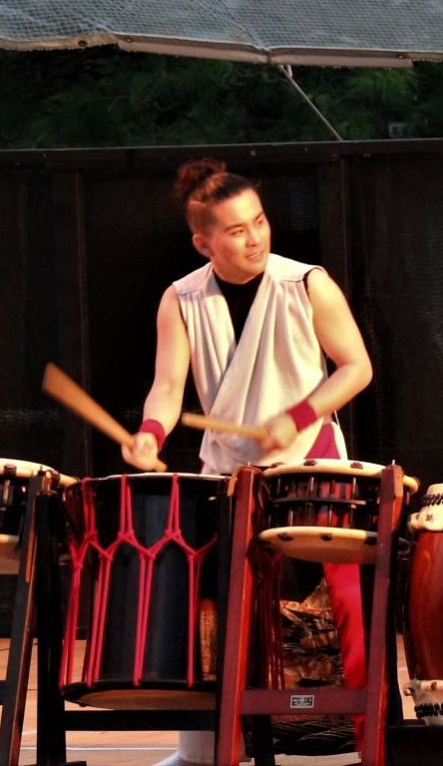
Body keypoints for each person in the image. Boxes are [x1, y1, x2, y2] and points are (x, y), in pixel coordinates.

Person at [124, 159, 374, 766]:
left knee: (347, 600)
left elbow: (357, 367)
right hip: (230, 471)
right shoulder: (181, 299)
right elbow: (167, 386)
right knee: (216, 607)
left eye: (259, 222)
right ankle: (207, 749)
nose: (255, 238)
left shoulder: (306, 284)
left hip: (311, 461)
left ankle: (373, 742)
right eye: (237, 231)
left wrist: (300, 413)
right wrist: (151, 434)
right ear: (203, 243)